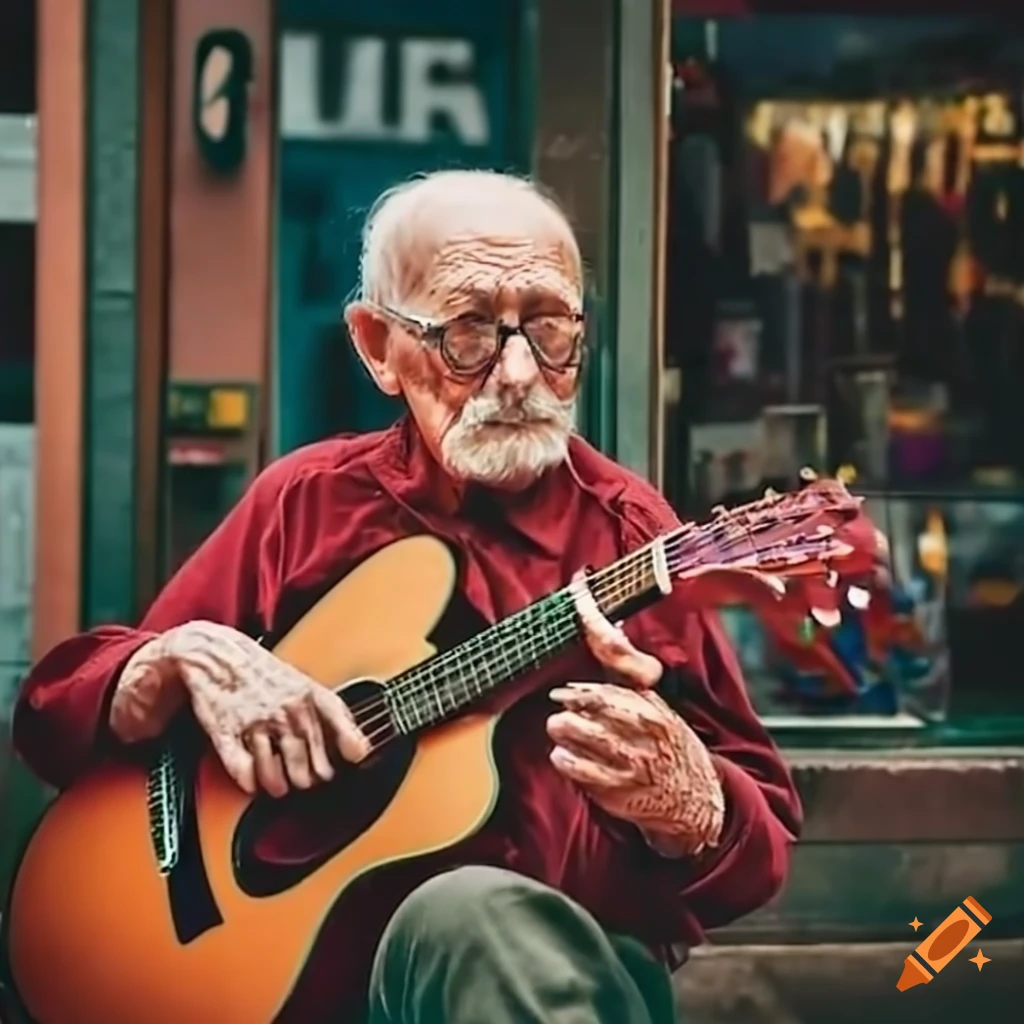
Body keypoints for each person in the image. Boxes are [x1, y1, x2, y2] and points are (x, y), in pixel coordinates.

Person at [12, 170, 801, 1024]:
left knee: (463, 913)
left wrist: (691, 802)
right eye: (468, 332)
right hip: (275, 987)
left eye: (549, 329)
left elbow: (758, 857)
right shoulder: (306, 502)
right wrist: (173, 659)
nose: (515, 373)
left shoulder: (631, 538)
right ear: (378, 346)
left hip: (544, 985)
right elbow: (55, 720)